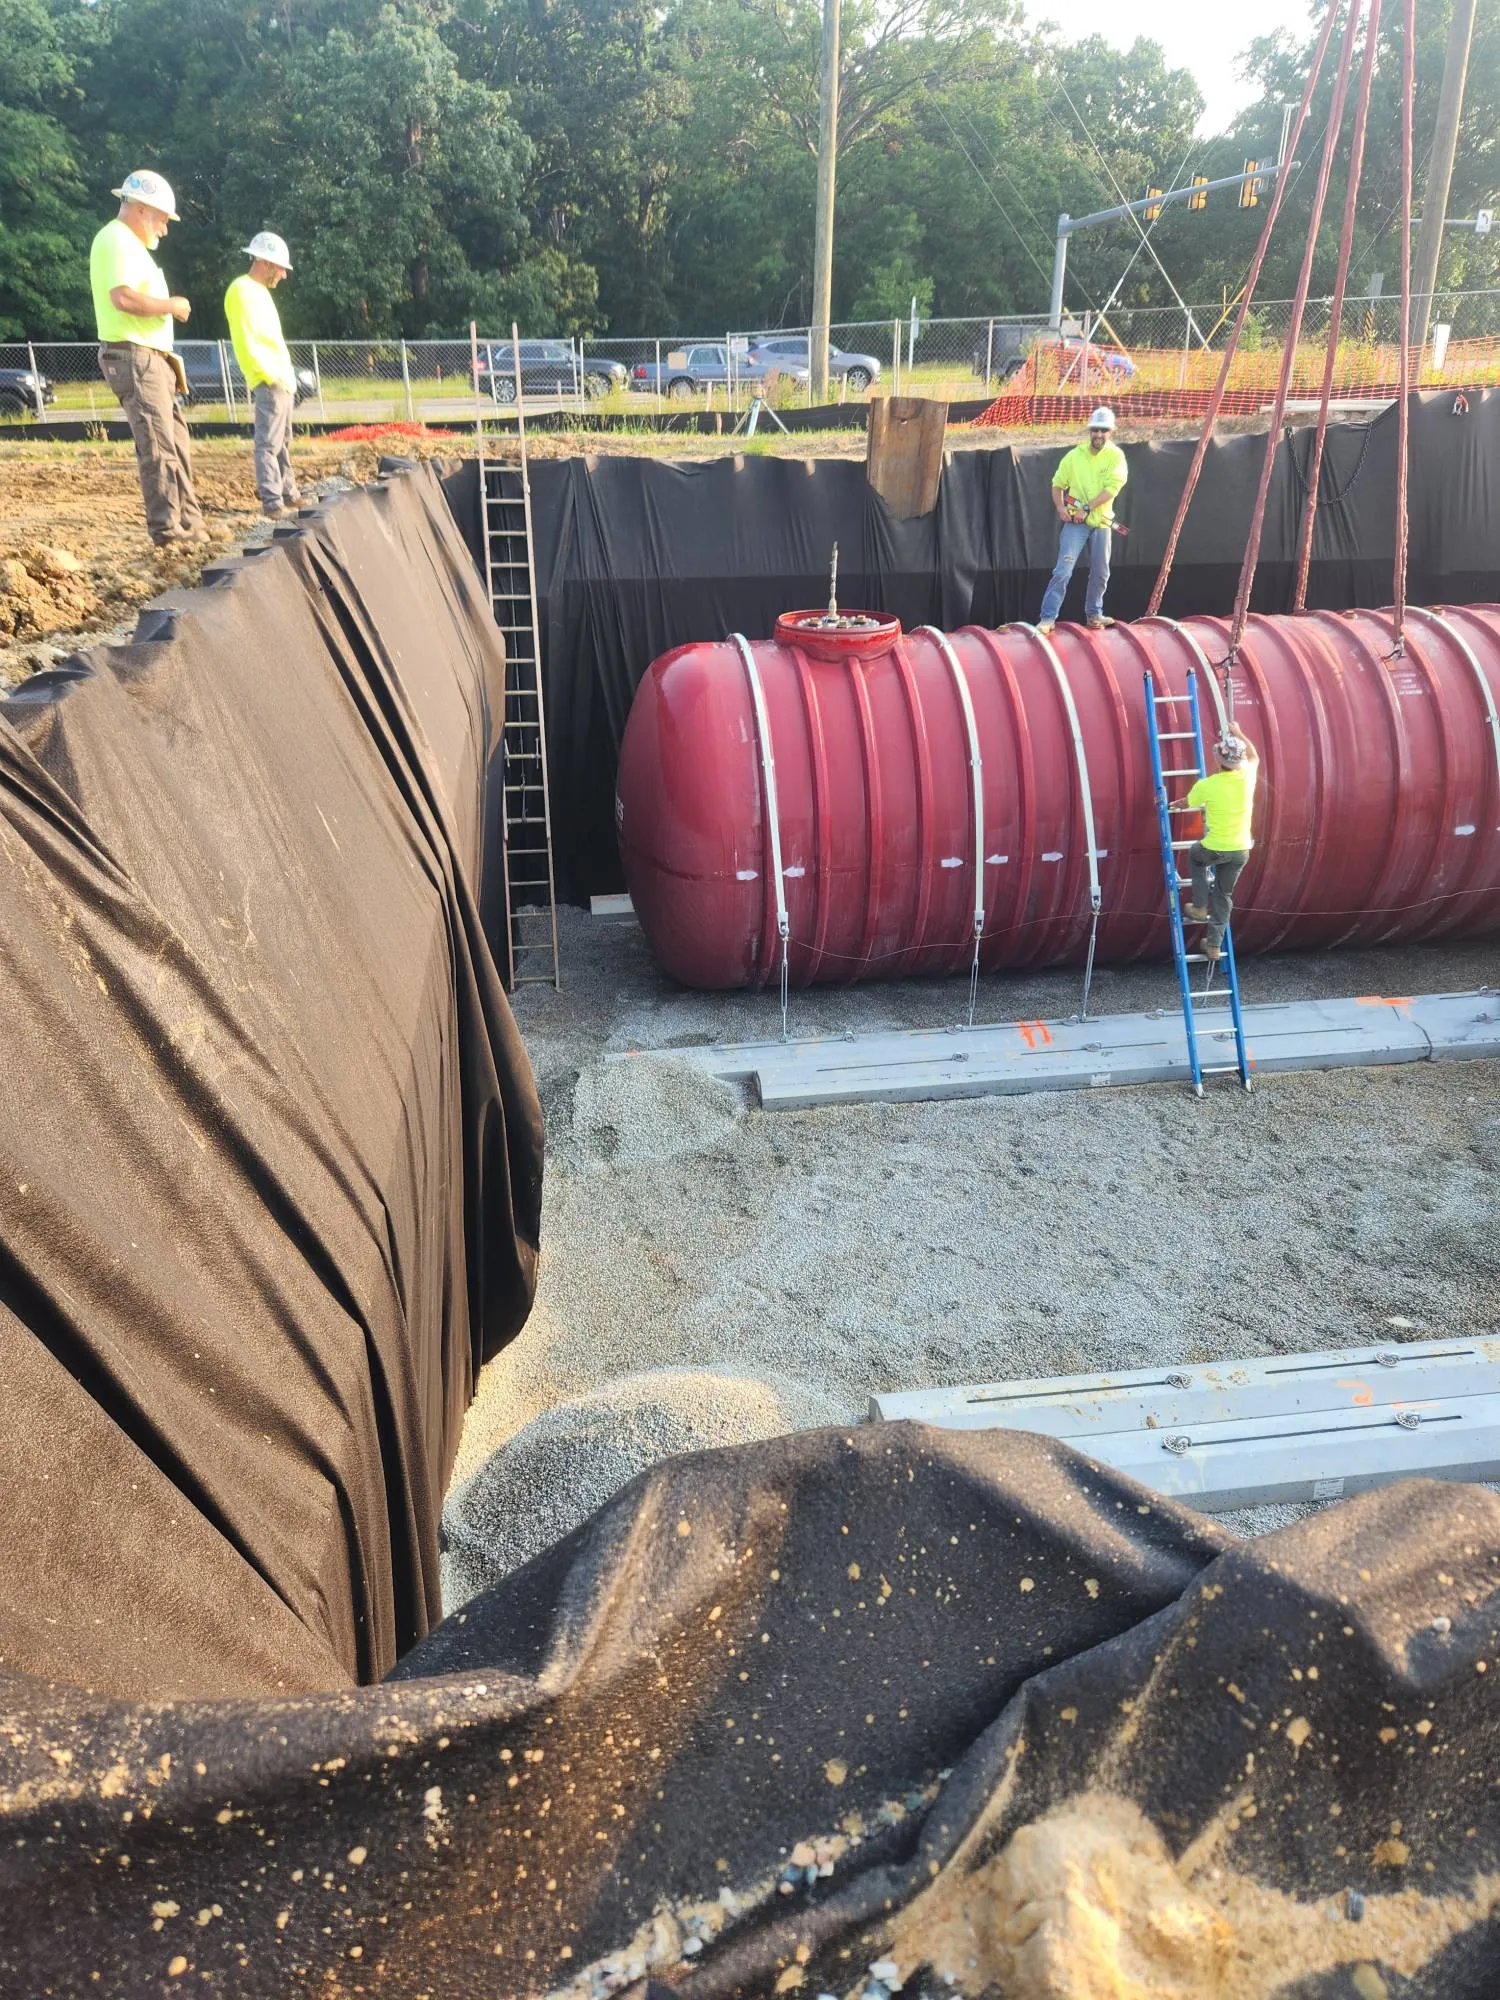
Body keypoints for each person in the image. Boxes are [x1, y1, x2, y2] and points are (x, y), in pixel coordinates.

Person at [89, 169, 206, 547]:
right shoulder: (116, 239)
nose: (165, 229)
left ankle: (190, 523)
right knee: (158, 445)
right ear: (141, 209)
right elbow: (122, 298)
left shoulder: (130, 245)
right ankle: (168, 532)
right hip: (136, 358)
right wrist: (170, 306)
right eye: (162, 219)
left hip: (151, 359)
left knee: (175, 443)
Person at [224, 233, 302, 519]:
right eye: (280, 268)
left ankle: (288, 493)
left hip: (282, 379)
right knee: (268, 444)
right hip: (270, 380)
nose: (283, 274)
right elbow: (244, 339)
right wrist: (267, 375)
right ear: (266, 262)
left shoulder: (260, 293)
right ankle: (272, 502)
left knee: (282, 443)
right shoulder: (241, 290)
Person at [1171, 721, 1260, 960]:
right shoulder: (1248, 776)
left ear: (1218, 761)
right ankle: (1213, 945)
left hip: (1214, 848)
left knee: (1195, 855)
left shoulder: (1206, 785)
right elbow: (1254, 755)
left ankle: (1199, 906)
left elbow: (1187, 803)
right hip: (1240, 849)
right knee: (1223, 895)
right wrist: (1239, 732)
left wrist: (1170, 804)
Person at [1037, 406, 1128, 634]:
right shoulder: (1075, 456)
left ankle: (1094, 614)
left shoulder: (1116, 457)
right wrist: (1060, 508)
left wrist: (1086, 508)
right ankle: (1047, 619)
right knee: (1063, 570)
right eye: (1095, 430)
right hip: (1076, 525)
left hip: (1101, 522)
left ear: (1112, 431)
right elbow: (1057, 484)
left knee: (1101, 571)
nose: (1098, 434)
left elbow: (1112, 489)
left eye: (1103, 430)